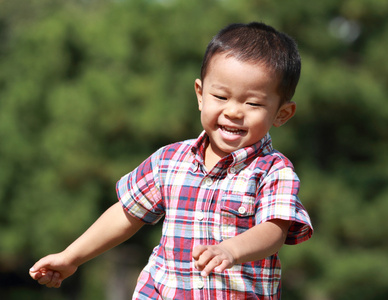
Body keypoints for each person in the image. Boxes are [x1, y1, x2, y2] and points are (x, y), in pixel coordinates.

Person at [29, 22, 313, 299]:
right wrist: (71, 256)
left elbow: (274, 230)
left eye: (252, 103)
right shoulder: (169, 160)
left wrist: (231, 250)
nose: (234, 112)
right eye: (221, 96)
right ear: (201, 95)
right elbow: (126, 213)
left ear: (282, 113)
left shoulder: (273, 170)